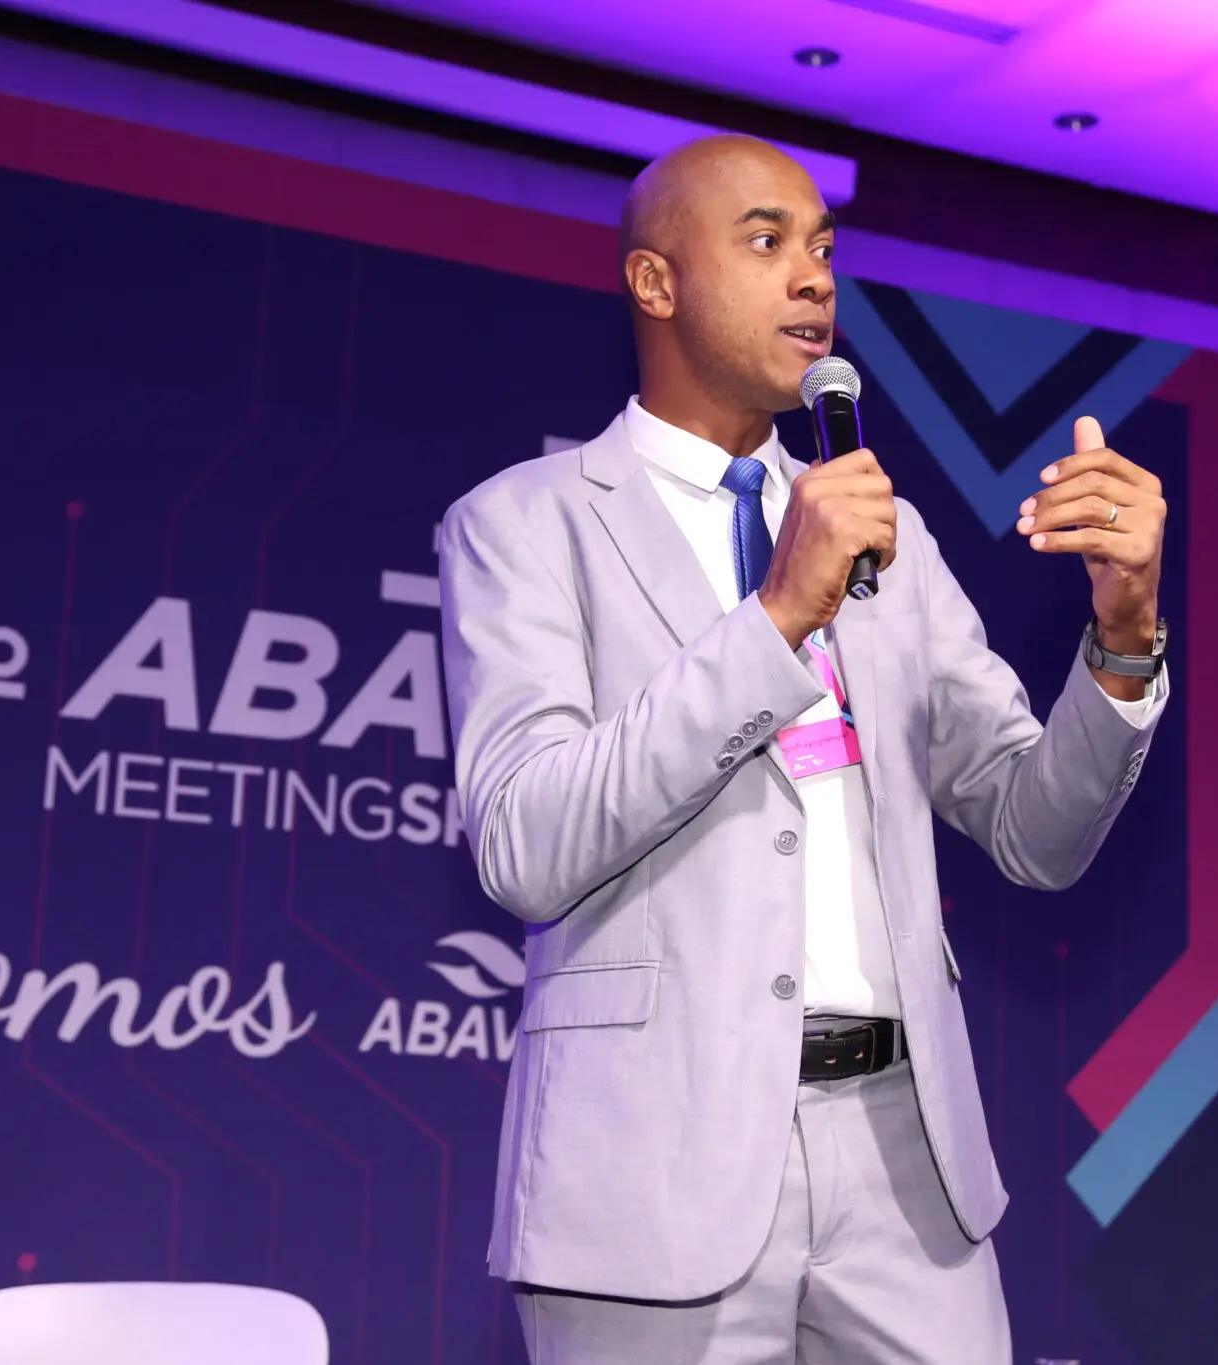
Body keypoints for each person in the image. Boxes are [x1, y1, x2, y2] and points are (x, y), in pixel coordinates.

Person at [438, 134, 1169, 1364]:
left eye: (823, 248)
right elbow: (525, 843)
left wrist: (1123, 631)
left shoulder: (886, 531)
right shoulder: (525, 523)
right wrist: (775, 616)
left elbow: (1032, 830)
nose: (815, 278)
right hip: (652, 1176)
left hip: (905, 1170)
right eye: (766, 242)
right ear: (655, 283)